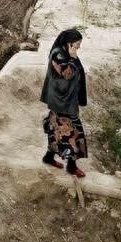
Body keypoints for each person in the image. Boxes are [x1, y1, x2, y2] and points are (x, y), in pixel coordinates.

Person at [40, 28, 88, 178]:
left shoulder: (66, 52)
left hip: (66, 100)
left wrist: (73, 56)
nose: (78, 47)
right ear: (69, 43)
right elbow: (66, 74)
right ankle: (72, 166)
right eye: (77, 44)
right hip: (61, 101)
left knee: (57, 130)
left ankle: (49, 157)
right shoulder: (58, 54)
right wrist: (73, 58)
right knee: (72, 133)